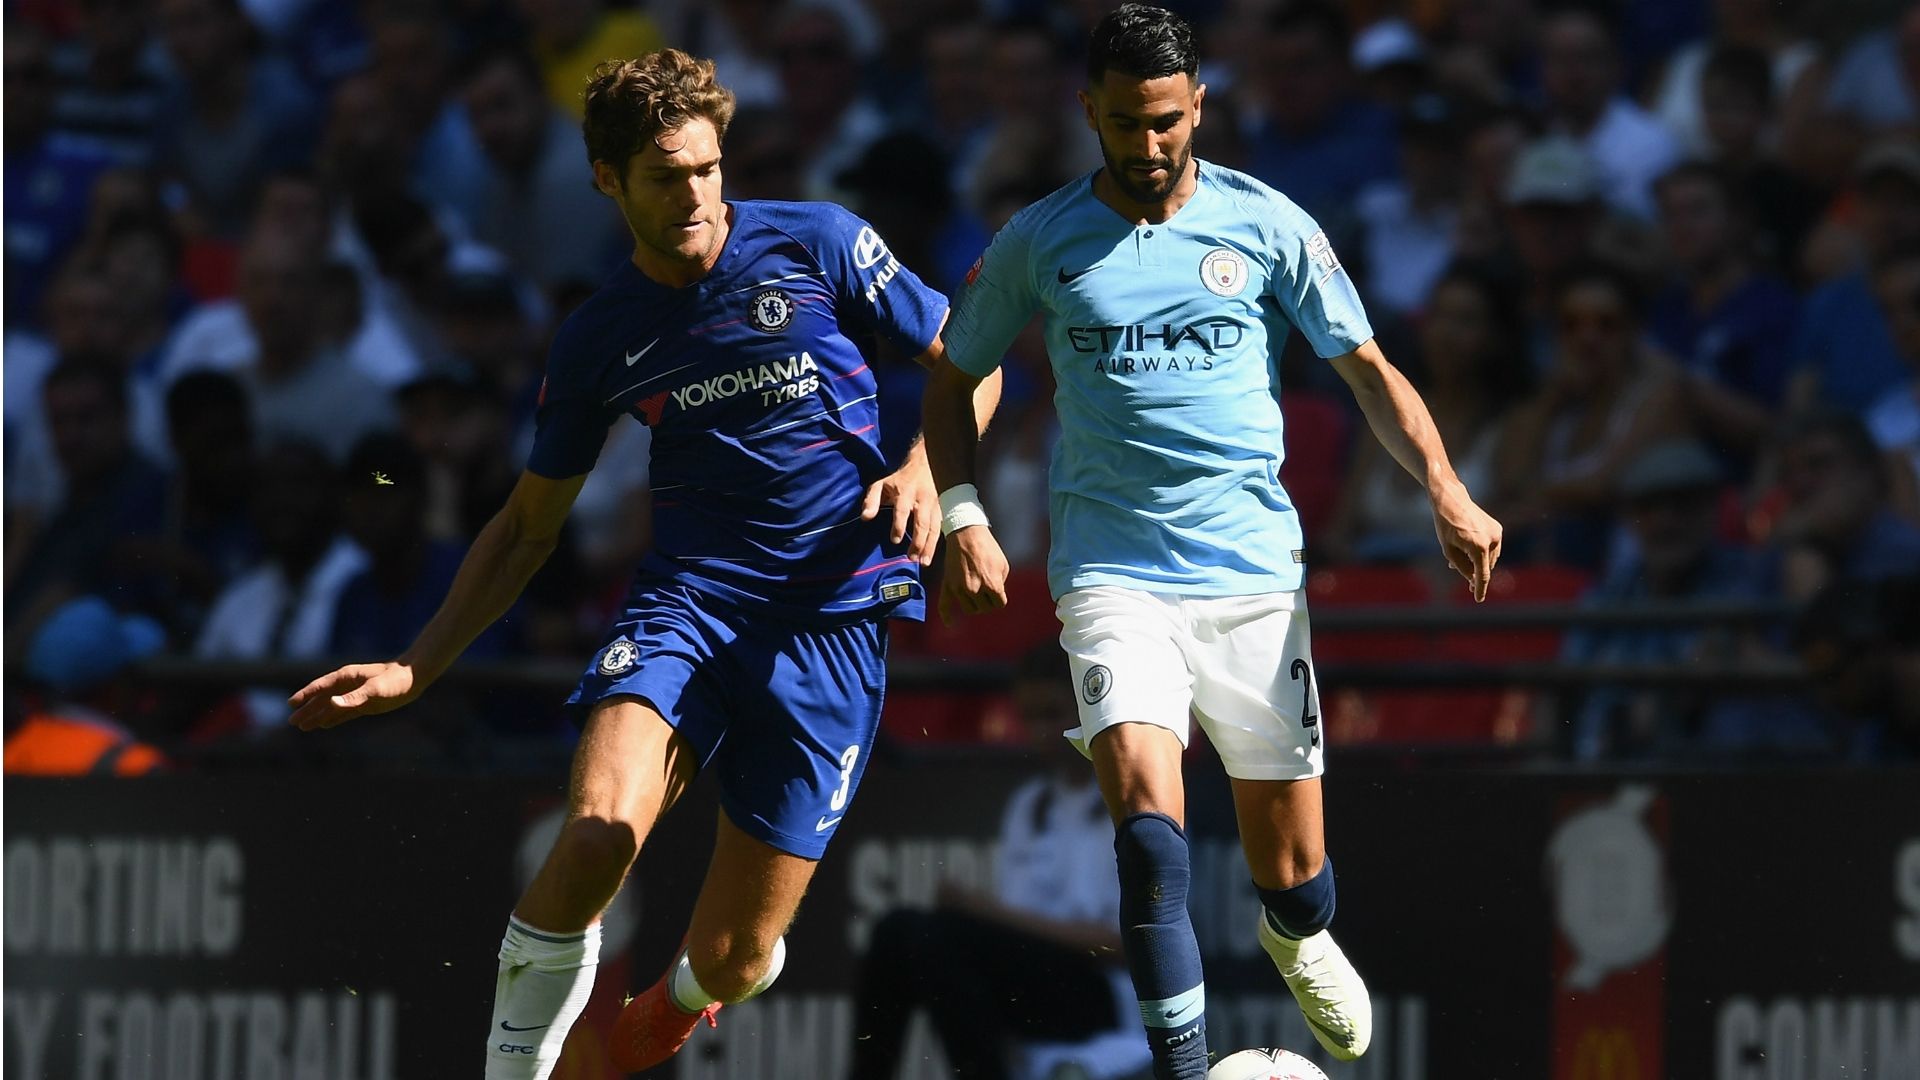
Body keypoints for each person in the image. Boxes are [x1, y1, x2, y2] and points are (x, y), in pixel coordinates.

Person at [287, 49, 999, 1080]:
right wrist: (417, 666)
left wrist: (934, 476)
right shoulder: (597, 339)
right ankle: (511, 1066)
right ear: (607, 179)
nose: (699, 196)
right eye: (667, 175)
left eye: (709, 168)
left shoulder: (822, 241)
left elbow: (969, 367)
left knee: (737, 956)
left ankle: (683, 1001)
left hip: (833, 627)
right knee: (594, 837)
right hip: (691, 607)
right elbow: (528, 527)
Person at [920, 7, 1502, 1075]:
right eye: (1125, 124)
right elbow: (953, 378)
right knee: (1149, 831)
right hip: (1109, 573)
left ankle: (1297, 927)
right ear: (1088, 111)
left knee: (1293, 872)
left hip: (1251, 577)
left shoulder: (1269, 224)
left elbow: (1367, 371)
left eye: (1168, 123)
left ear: (1200, 107)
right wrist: (961, 510)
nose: (1147, 147)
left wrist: (1448, 491)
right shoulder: (1040, 240)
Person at [847, 644, 1142, 1080]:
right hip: (1041, 984)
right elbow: (1016, 942)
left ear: (1088, 707)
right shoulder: (1029, 806)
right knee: (901, 933)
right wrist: (988, 920)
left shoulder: (1134, 802)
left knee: (938, 938)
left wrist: (984, 911)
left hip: (1107, 998)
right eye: (1030, 717)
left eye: (1052, 712)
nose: (1041, 730)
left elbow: (1129, 948)